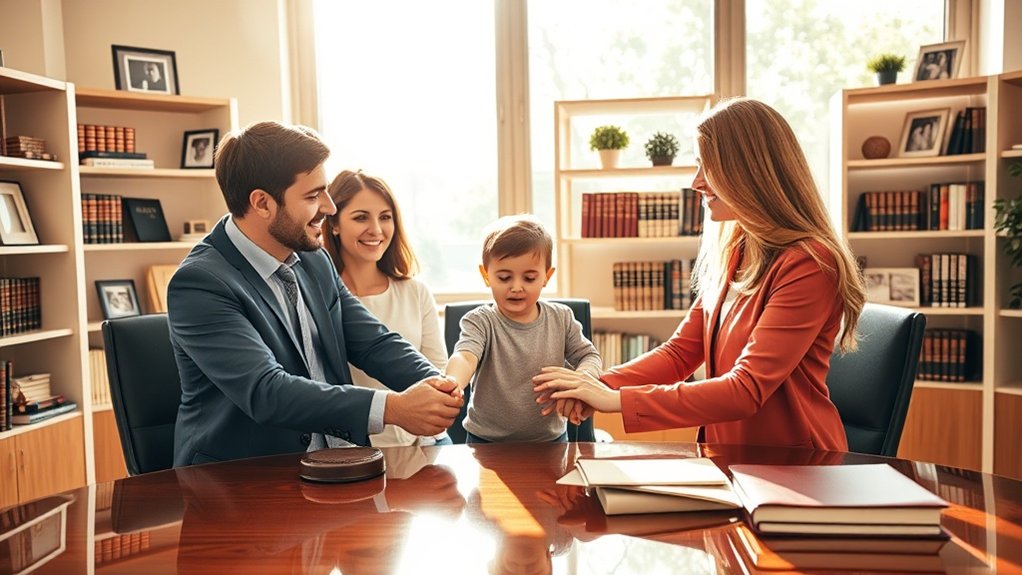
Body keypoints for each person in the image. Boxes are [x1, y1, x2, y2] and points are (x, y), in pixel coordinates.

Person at [533, 98, 866, 452]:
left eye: (707, 167)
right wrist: (595, 384)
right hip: (731, 459)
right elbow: (679, 354)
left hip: (796, 466)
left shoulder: (809, 263)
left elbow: (745, 390)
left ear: (749, 172)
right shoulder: (736, 249)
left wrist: (612, 399)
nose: (696, 183)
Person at [167, 121, 463, 466]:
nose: (329, 207)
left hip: (339, 466)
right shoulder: (200, 284)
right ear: (262, 203)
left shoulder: (313, 258)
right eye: (312, 196)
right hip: (245, 482)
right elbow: (267, 392)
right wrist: (393, 408)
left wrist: (440, 387)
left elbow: (372, 342)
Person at [443, 214, 602, 443]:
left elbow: (589, 356)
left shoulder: (562, 318)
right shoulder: (479, 321)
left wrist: (582, 378)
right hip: (485, 441)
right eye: (504, 277)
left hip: (550, 440)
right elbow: (465, 356)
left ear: (546, 277)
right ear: (486, 275)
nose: (516, 287)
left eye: (529, 278)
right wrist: (453, 381)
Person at [322, 169, 451, 447]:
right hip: (349, 449)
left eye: (385, 217)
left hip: (421, 443)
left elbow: (437, 370)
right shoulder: (318, 296)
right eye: (360, 217)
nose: (376, 230)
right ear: (333, 223)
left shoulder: (415, 293)